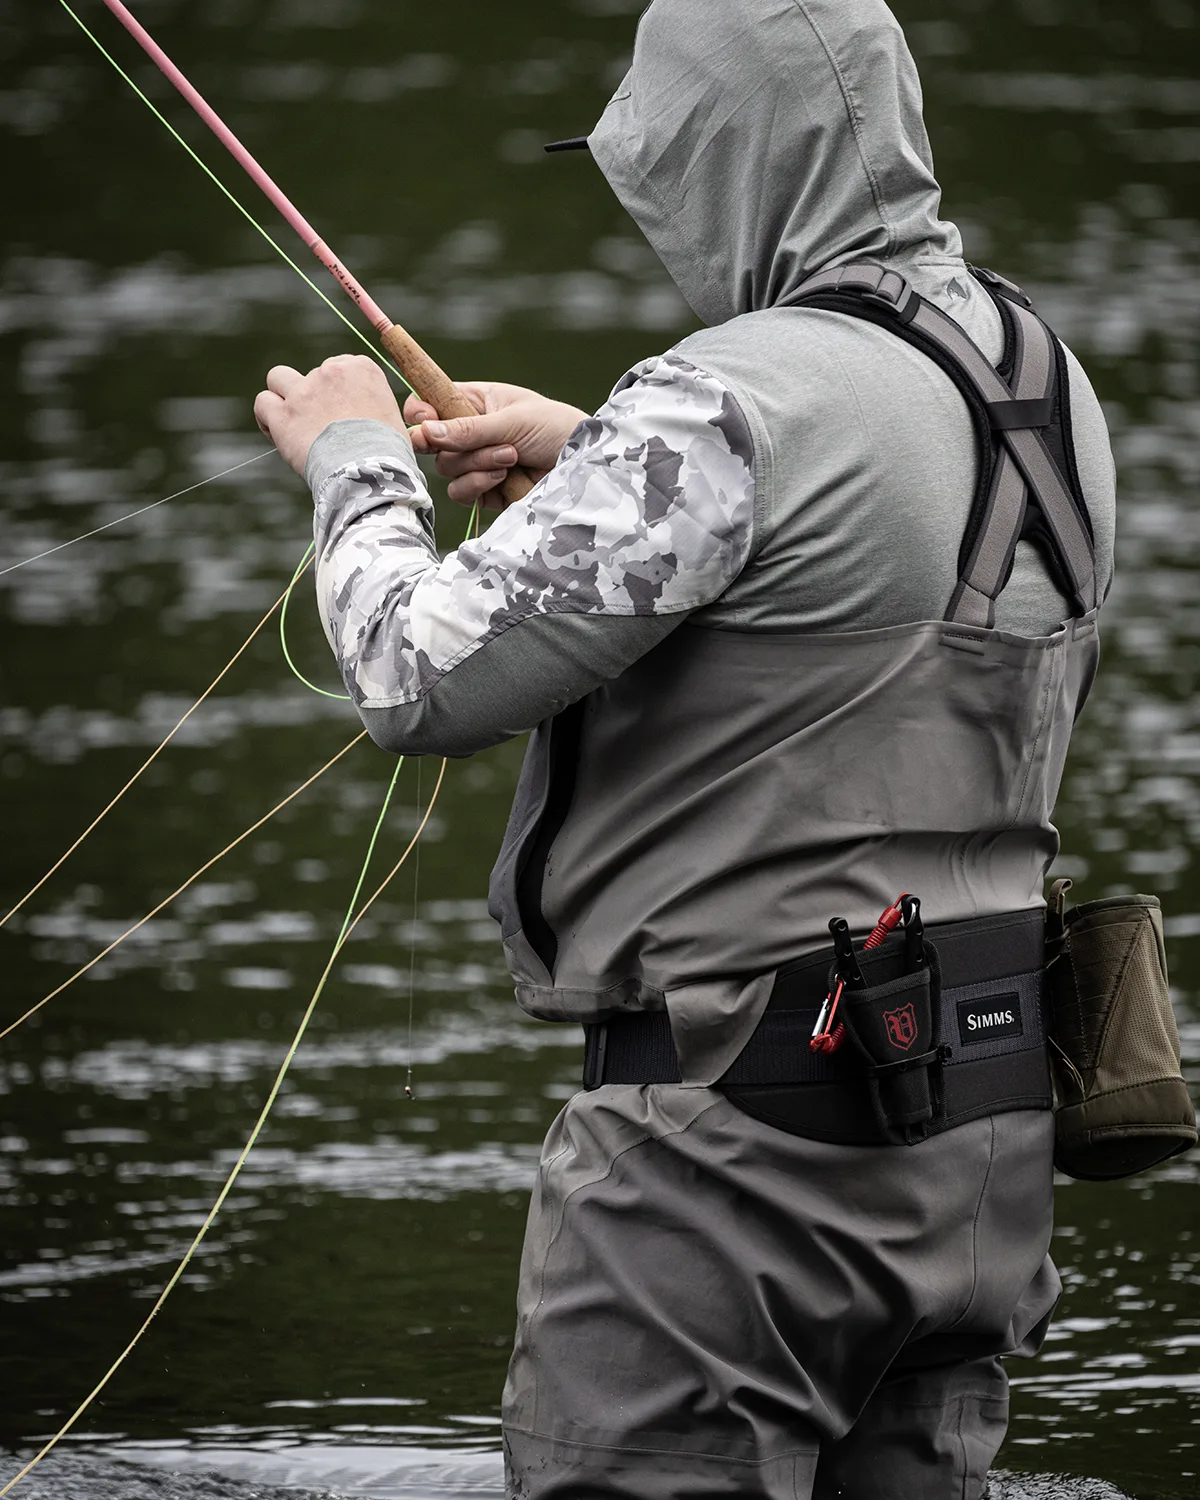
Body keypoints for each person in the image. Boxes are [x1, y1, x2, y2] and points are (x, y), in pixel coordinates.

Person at [254, 2, 1116, 1495]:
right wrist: (597, 451)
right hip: (973, 1155)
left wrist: (356, 464)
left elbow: (413, 674)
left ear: (720, 162)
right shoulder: (1043, 380)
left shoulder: (730, 399)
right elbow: (863, 570)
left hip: (731, 1175)